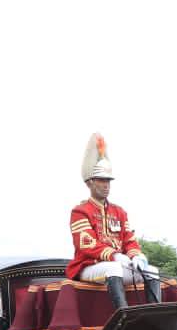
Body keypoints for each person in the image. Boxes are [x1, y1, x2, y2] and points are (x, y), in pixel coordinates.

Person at [67, 132, 161, 309]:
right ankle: (123, 316)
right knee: (113, 268)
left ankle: (154, 319)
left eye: (108, 181)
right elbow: (87, 244)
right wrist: (115, 255)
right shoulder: (80, 211)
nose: (106, 185)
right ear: (90, 182)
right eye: (101, 180)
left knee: (152, 271)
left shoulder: (119, 212)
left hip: (117, 266)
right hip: (88, 267)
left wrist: (136, 256)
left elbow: (129, 240)